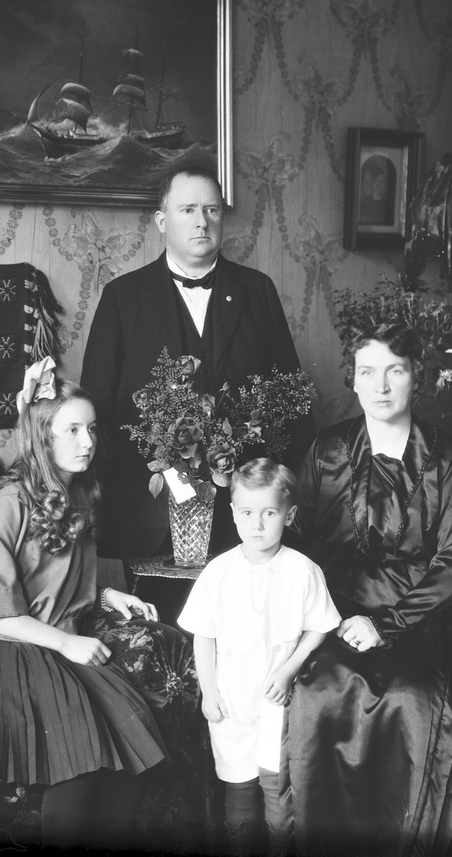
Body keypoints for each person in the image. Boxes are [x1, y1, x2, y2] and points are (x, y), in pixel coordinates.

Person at [283, 323, 452, 857]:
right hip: (334, 612)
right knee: (319, 688)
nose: (380, 386)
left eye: (394, 371)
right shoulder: (327, 449)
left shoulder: (447, 456)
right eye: (368, 372)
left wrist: (386, 624)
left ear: (416, 378)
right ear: (354, 381)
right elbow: (301, 542)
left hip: (419, 614)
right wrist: (327, 618)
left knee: (411, 697)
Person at [0, 358, 167, 853]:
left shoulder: (78, 495)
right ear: (43, 438)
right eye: (73, 430)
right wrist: (66, 643)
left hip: (49, 635)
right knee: (78, 742)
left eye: (91, 429)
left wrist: (106, 594)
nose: (88, 442)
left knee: (136, 734)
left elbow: (55, 579)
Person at [81, 164, 312, 622]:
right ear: (162, 219)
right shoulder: (122, 297)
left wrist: (276, 495)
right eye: (187, 209)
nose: (202, 221)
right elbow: (98, 411)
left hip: (245, 515)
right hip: (149, 518)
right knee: (161, 641)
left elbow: (292, 403)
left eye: (211, 210)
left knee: (243, 636)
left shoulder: (257, 291)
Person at [177, 458, 341, 857]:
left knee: (275, 785)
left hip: (276, 700)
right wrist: (209, 691)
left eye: (269, 513)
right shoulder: (218, 572)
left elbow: (319, 627)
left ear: (289, 515)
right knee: (238, 786)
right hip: (231, 698)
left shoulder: (303, 570)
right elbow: (204, 635)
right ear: (233, 513)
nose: (257, 525)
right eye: (247, 513)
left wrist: (288, 670)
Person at [358, 154, 397, 226]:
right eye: (380, 182)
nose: (383, 185)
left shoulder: (386, 205)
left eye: (384, 182)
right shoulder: (366, 203)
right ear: (373, 183)